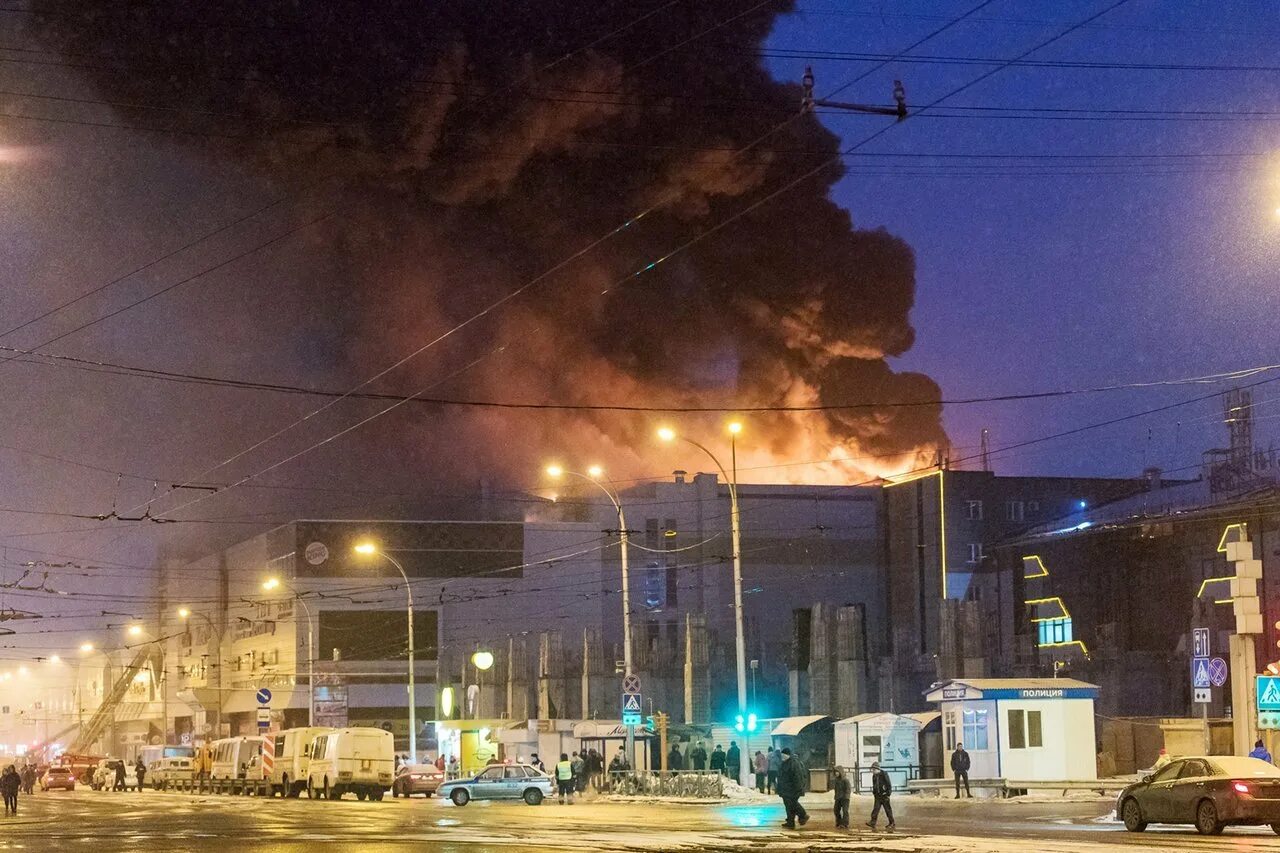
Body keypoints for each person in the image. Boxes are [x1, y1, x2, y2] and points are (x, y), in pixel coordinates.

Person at [775, 747, 809, 830]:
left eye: (784, 755)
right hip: (785, 789)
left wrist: (798, 788)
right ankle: (790, 822)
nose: (782, 757)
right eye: (781, 756)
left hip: (792, 789)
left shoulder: (794, 763)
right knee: (788, 805)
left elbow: (797, 777)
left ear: (788, 755)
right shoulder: (784, 763)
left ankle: (803, 815)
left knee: (792, 804)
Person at [866, 760, 895, 831]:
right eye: (872, 769)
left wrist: (888, 793)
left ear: (877, 769)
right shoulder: (874, 776)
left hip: (884, 795)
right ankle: (873, 822)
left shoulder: (884, 774)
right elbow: (874, 785)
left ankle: (892, 822)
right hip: (878, 796)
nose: (872, 771)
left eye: (873, 769)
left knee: (887, 810)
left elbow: (888, 784)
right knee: (875, 809)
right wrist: (874, 792)